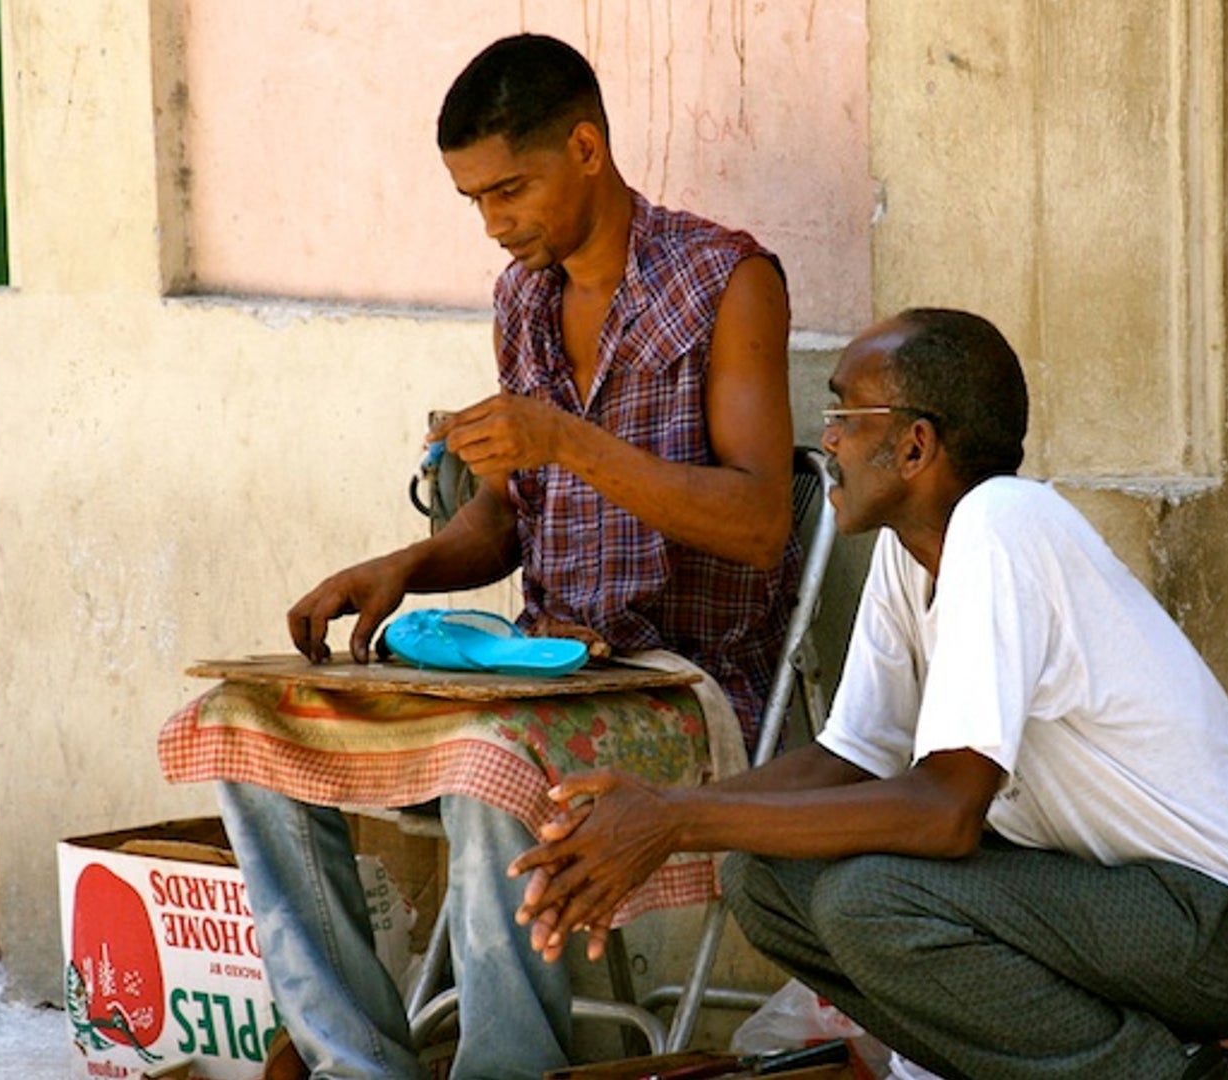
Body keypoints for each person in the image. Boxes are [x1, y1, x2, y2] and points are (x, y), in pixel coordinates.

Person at [509, 308, 1228, 1080]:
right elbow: (851, 757)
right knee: (764, 881)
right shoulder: (911, 551)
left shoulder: (1002, 523)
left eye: (845, 415)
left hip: (1216, 925)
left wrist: (677, 821)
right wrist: (655, 812)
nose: (826, 440)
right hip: (1087, 899)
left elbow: (945, 811)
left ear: (915, 446)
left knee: (871, 899)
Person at [216, 34, 797, 1080]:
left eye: (510, 189)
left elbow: (761, 521)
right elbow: (500, 523)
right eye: (473, 199)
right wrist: (404, 564)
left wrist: (565, 438)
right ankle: (358, 1066)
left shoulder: (728, 280)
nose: (494, 221)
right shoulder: (521, 299)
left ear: (585, 148)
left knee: (493, 764)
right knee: (244, 731)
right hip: (540, 679)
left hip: (684, 689)